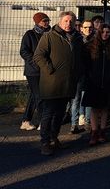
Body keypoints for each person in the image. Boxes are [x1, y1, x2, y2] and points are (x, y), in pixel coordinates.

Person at [33, 11, 84, 156]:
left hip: (68, 83)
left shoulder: (77, 38)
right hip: (51, 84)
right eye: (66, 21)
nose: (69, 24)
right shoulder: (49, 36)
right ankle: (45, 142)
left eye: (71, 21)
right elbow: (38, 56)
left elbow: (80, 58)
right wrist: (50, 69)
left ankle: (54, 138)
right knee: (48, 114)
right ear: (60, 21)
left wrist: (78, 72)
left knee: (60, 114)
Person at [82, 24, 110, 145]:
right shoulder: (90, 46)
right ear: (99, 33)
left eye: (107, 32)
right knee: (94, 108)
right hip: (94, 82)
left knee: (105, 108)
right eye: (102, 32)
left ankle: (102, 131)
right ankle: (94, 132)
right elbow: (86, 64)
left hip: (108, 81)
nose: (105, 34)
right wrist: (90, 76)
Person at [19, 12, 51, 131]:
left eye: (48, 20)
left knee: (34, 96)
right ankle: (43, 121)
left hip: (45, 70)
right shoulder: (30, 34)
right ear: (37, 22)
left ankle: (26, 121)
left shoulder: (50, 34)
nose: (47, 23)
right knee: (40, 96)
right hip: (33, 71)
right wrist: (36, 62)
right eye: (44, 21)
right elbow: (24, 51)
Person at [73, 19, 93, 130]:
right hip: (79, 72)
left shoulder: (95, 40)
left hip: (90, 72)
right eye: (85, 27)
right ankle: (77, 120)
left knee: (88, 96)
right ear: (81, 28)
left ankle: (87, 121)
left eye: (90, 27)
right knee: (77, 98)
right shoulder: (77, 40)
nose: (88, 29)